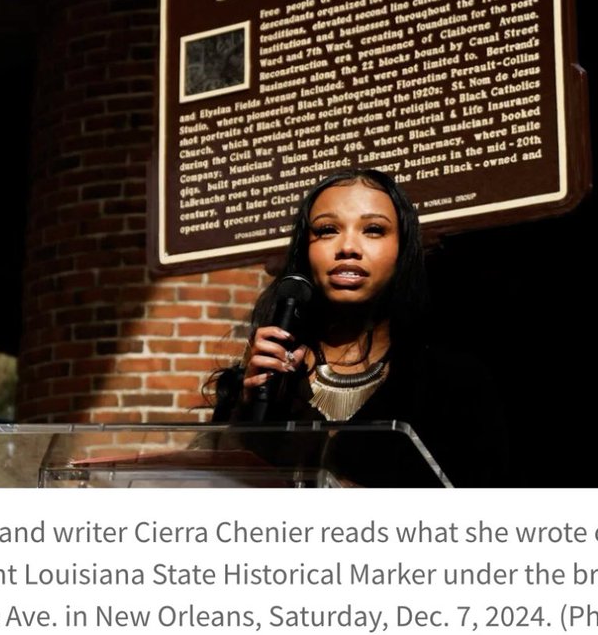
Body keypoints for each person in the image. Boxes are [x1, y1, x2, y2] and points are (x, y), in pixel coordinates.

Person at [209, 167, 506, 486]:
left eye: (374, 229)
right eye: (326, 230)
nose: (348, 246)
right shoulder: (262, 384)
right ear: (305, 252)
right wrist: (247, 412)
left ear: (402, 250)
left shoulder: (453, 383)